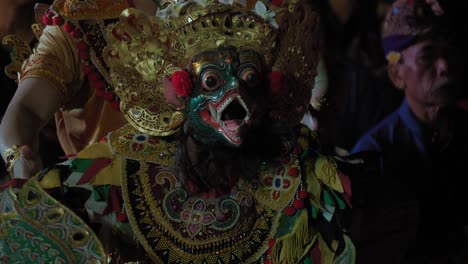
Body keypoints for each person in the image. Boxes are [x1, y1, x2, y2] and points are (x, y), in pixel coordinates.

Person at [0, 0, 358, 263]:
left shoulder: (246, 10)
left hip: (245, 198)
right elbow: (27, 108)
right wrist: (19, 159)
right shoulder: (85, 17)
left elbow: (310, 91)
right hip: (113, 216)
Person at [351, 0, 468, 263]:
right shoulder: (374, 154)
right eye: (428, 56)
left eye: (447, 53)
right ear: (396, 74)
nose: (444, 66)